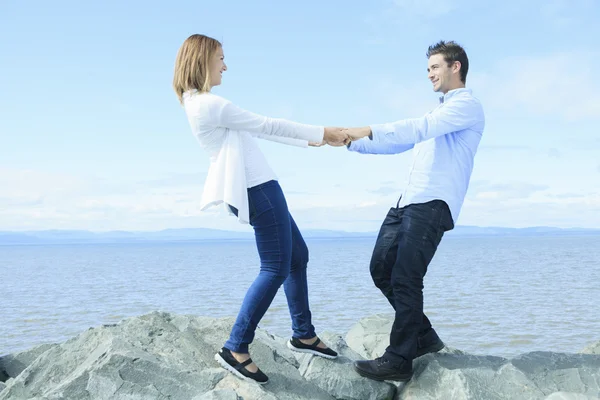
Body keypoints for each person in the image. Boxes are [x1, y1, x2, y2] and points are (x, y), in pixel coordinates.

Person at [172, 34, 346, 384]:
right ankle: (236, 347)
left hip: (261, 189)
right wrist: (324, 132)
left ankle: (303, 334)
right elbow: (267, 124)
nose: (225, 64)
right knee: (275, 267)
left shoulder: (199, 104)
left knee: (298, 257)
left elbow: (264, 132)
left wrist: (314, 140)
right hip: (259, 191)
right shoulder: (209, 104)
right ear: (202, 60)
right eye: (220, 57)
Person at [333, 40, 485, 381]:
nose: (429, 73)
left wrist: (367, 127)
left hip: (432, 203)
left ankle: (399, 360)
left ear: (455, 66)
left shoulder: (467, 107)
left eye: (434, 67)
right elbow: (401, 141)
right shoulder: (439, 113)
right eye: (428, 68)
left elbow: (416, 129)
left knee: (405, 277)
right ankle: (424, 335)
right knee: (381, 268)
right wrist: (349, 141)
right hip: (407, 202)